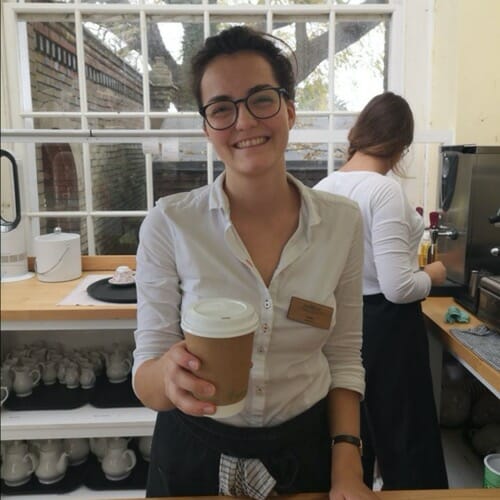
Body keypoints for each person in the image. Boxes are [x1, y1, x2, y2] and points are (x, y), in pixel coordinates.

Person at [132, 25, 377, 500]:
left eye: (260, 99)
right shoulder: (170, 224)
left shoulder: (342, 223)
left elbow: (344, 357)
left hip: (306, 451)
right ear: (207, 127)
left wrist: (347, 468)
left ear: (288, 109)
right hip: (194, 452)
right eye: (222, 108)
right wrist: (168, 375)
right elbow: (147, 377)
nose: (243, 122)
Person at [314, 92, 449, 490]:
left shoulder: (325, 186)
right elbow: (398, 286)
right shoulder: (383, 191)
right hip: (388, 327)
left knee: (356, 436)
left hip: (342, 325)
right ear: (400, 144)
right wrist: (436, 273)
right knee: (407, 441)